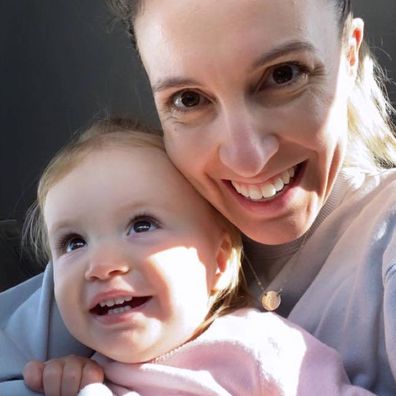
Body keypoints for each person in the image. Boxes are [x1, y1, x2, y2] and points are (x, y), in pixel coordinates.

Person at [2, 0, 396, 394]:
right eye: (189, 99)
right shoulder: (107, 246)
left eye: (283, 75)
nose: (248, 159)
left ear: (348, 55)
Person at [21, 119, 372, 396]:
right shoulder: (85, 371)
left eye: (142, 226)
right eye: (73, 243)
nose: (101, 265)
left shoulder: (260, 350)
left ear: (219, 263)